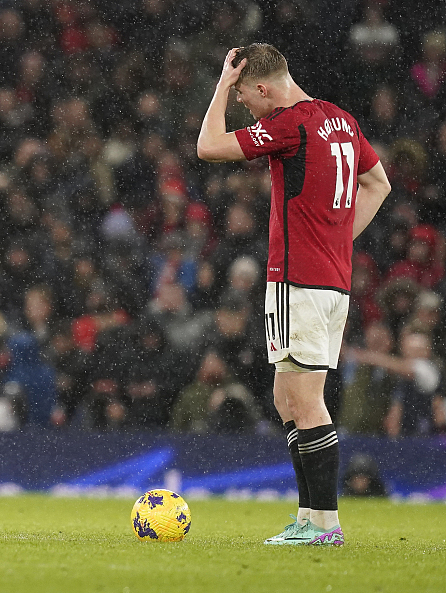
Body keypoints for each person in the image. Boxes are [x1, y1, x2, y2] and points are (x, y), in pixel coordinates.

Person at [198, 43, 392, 546]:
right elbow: (379, 184)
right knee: (288, 398)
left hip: (299, 281)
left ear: (262, 88)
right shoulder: (339, 120)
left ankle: (325, 524)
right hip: (331, 282)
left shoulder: (289, 124)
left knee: (305, 402)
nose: (242, 103)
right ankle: (309, 517)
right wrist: (338, 240)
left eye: (243, 95)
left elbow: (208, 146)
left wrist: (220, 84)